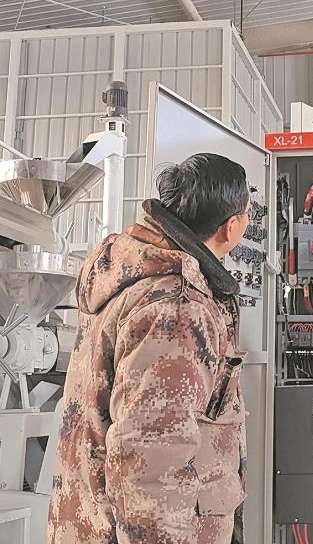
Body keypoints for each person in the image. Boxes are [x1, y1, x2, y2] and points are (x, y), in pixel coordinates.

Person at [47, 153, 251, 544]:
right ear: (231, 227)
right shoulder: (177, 308)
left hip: (92, 520)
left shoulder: (132, 273)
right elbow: (150, 460)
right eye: (247, 214)